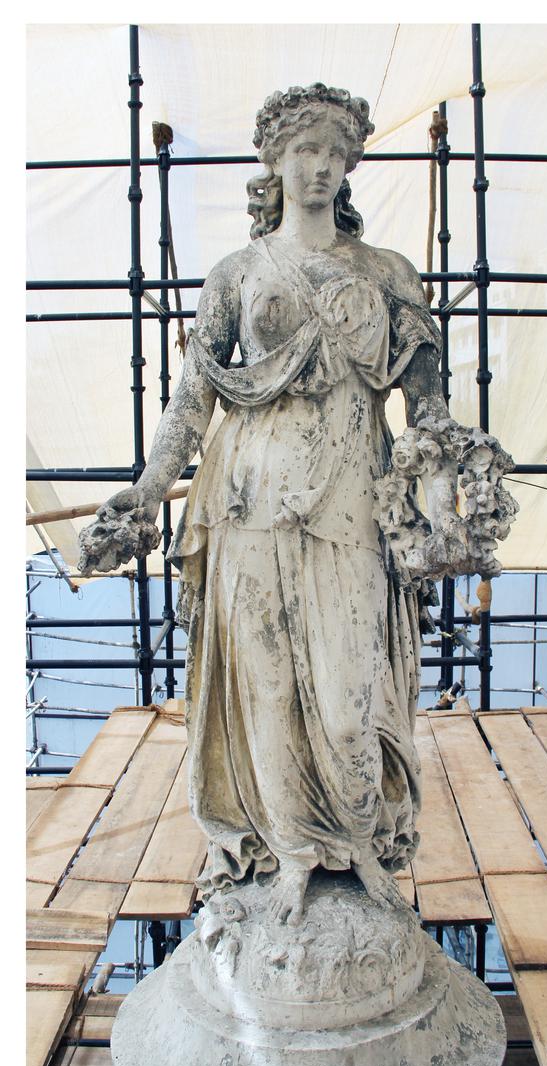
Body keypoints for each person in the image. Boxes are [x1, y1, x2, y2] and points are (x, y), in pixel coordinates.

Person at [80, 83, 476, 927]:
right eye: (307, 150)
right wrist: (148, 489)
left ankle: (359, 846)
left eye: (337, 152)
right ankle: (290, 855)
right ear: (275, 160)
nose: (323, 167)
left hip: (350, 506)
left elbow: (427, 409)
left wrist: (455, 483)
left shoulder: (387, 274)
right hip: (248, 503)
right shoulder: (237, 275)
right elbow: (191, 402)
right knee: (263, 687)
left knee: (348, 700)